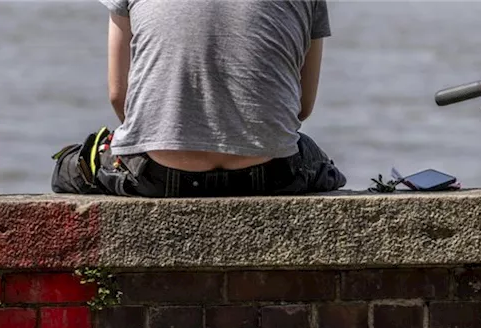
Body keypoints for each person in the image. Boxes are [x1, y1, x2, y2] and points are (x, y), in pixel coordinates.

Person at [51, 0, 347, 198]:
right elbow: (302, 106)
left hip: (159, 170)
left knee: (71, 164)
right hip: (270, 170)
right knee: (313, 158)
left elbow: (119, 95)